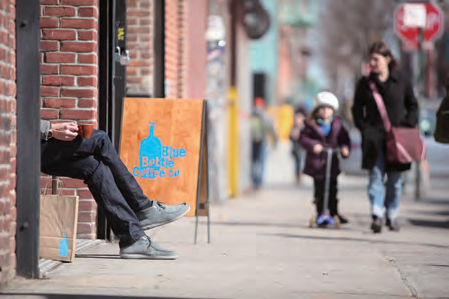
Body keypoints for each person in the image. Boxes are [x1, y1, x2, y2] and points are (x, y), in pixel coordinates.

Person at [40, 120, 190, 259]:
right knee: (100, 138)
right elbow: (17, 122)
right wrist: (51, 129)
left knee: (95, 166)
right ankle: (144, 209)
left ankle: (132, 239)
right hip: (29, 146)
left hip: (37, 142)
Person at [352, 41, 418, 233]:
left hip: (399, 138)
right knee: (375, 176)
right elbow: (356, 109)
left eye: (376, 59)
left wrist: (408, 124)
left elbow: (412, 104)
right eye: (370, 59)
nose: (372, 63)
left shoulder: (402, 80)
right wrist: (364, 128)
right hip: (374, 139)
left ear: (387, 59)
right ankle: (376, 215)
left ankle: (392, 214)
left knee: (396, 180)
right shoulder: (365, 84)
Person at [299, 92, 351, 225]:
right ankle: (321, 212)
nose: (325, 111)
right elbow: (303, 138)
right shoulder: (311, 125)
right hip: (317, 163)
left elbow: (344, 139)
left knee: (333, 189)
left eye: (328, 109)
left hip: (332, 163)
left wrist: (345, 148)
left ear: (333, 110)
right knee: (320, 190)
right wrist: (313, 145)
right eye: (322, 109)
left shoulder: (338, 125)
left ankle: (334, 212)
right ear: (317, 110)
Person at [250, 97, 278, 190]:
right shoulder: (259, 117)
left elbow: (271, 130)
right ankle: (257, 181)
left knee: (258, 163)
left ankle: (257, 181)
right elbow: (271, 130)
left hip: (259, 143)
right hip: (256, 143)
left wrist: (275, 142)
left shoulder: (259, 117)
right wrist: (275, 142)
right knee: (257, 163)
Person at [289, 107, 307, 184]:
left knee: (301, 163)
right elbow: (289, 137)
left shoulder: (304, 128)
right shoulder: (293, 127)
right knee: (297, 164)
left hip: (302, 149)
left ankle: (300, 177)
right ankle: (297, 176)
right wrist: (292, 135)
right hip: (295, 149)